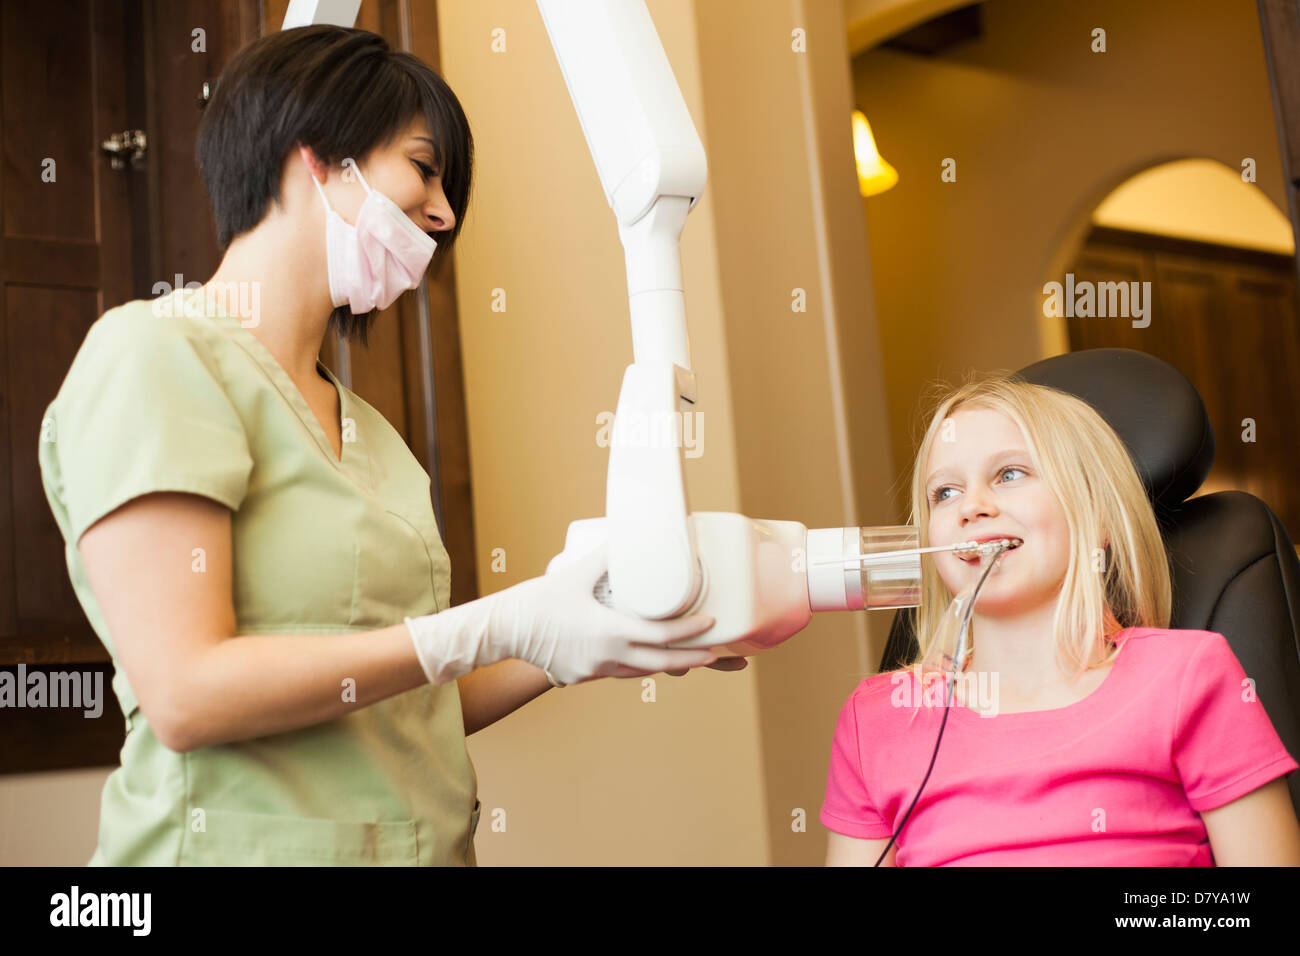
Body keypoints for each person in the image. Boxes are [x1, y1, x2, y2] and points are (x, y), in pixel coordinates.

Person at [37, 24, 735, 867]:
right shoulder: (154, 354)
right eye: (424, 167)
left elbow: (409, 704)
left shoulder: (373, 435)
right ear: (317, 157)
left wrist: (582, 630)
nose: (443, 212)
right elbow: (186, 692)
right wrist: (493, 623)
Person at [820, 373, 1300, 865]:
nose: (972, 507)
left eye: (1009, 474)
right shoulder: (876, 721)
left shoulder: (1188, 676)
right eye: (945, 492)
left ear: (1098, 517)